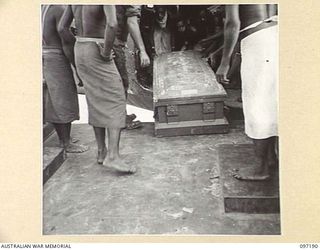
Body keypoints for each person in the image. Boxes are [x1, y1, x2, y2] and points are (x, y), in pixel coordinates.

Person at [58, 5, 136, 173]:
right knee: (116, 99)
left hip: (80, 48)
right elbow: (112, 24)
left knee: (94, 99)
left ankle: (102, 152)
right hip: (98, 48)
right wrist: (106, 53)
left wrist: (81, 44)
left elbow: (62, 28)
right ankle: (113, 156)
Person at [216, 4, 278, 180]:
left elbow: (233, 23)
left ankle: (260, 168)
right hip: (275, 35)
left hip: (256, 41)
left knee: (257, 105)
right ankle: (271, 157)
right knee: (270, 101)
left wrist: (225, 62)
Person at [42, 5, 88, 153]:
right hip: (56, 55)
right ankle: (65, 142)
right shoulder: (58, 7)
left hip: (46, 53)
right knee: (63, 98)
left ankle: (65, 139)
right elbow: (65, 38)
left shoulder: (44, 6)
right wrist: (77, 67)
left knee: (54, 99)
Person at [113, 5, 150, 130]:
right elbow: (132, 22)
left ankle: (120, 116)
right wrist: (143, 51)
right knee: (121, 83)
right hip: (114, 42)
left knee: (115, 83)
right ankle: (120, 120)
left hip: (104, 41)